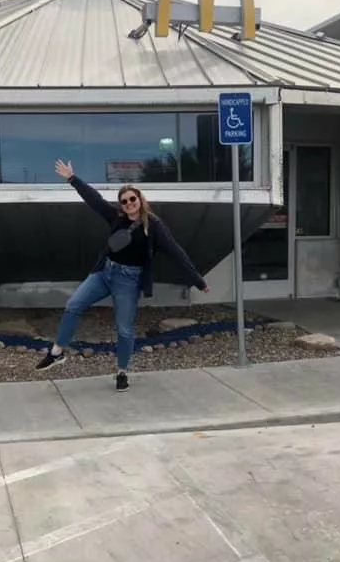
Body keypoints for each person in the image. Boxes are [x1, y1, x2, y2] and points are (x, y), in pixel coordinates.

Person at [36, 159, 210, 391]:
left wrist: (197, 280)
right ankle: (57, 352)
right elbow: (94, 200)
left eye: (132, 199)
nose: (129, 203)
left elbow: (176, 252)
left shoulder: (154, 226)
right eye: (124, 201)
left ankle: (121, 372)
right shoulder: (115, 217)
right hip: (104, 273)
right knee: (73, 305)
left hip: (128, 281)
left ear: (140, 199)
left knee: (125, 329)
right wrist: (72, 178)